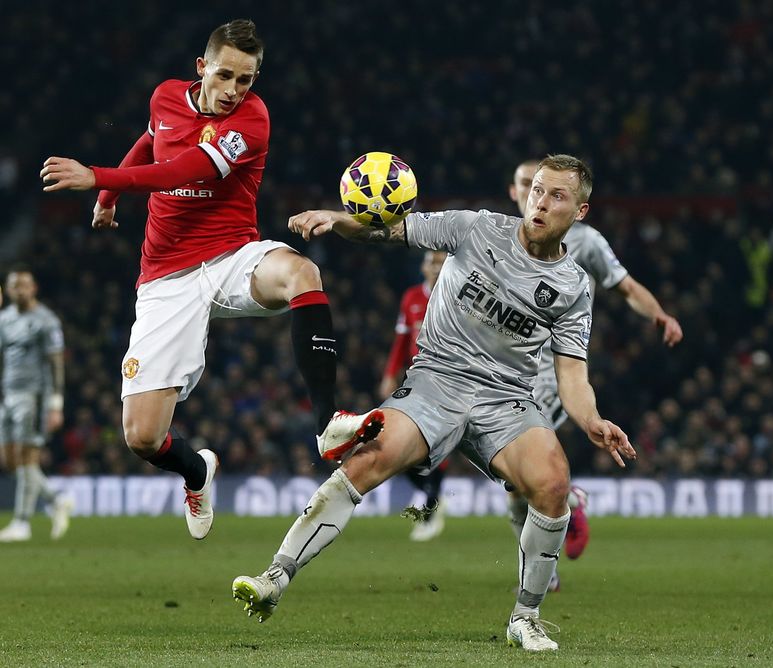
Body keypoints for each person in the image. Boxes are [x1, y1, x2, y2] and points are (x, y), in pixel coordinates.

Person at [233, 154, 637, 653]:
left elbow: (572, 375)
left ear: (580, 212)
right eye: (537, 190)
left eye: (557, 196)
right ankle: (276, 576)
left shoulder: (574, 286)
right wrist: (339, 219)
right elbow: (392, 230)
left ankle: (526, 618)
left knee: (554, 485)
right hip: (437, 380)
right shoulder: (477, 228)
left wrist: (592, 419)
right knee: (370, 458)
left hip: (506, 398)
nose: (541, 201)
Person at [39, 19, 383, 540]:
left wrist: (98, 176)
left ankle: (326, 424)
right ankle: (197, 472)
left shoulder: (254, 119)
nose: (233, 91)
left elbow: (183, 169)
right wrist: (108, 199)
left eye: (246, 80)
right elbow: (152, 140)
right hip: (165, 277)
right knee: (142, 437)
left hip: (231, 257)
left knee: (302, 271)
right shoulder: (165, 97)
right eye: (225, 76)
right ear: (201, 68)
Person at [507, 159, 683, 590]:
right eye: (530, 186)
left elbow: (624, 284)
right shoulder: (498, 238)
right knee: (513, 482)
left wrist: (658, 313)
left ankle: (540, 577)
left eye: (549, 188)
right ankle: (566, 508)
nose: (539, 195)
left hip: (552, 370)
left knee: (520, 471)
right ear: (516, 193)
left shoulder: (584, 242)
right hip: (504, 370)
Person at [0, 266, 73, 541]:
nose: (20, 290)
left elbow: (56, 364)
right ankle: (56, 499)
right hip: (7, 394)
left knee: (27, 457)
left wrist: (55, 403)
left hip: (34, 396)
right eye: (15, 286)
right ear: (8, 290)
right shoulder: (4, 319)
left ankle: (22, 523)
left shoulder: (46, 320)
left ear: (34, 289)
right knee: (10, 461)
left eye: (25, 285)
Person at [379, 250, 449, 541]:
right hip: (415, 381)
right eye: (431, 261)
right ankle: (431, 497)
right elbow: (401, 341)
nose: (435, 267)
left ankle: (431, 504)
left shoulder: (459, 295)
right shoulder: (411, 298)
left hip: (448, 382)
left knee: (437, 442)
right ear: (423, 267)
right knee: (394, 444)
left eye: (440, 262)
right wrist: (389, 374)